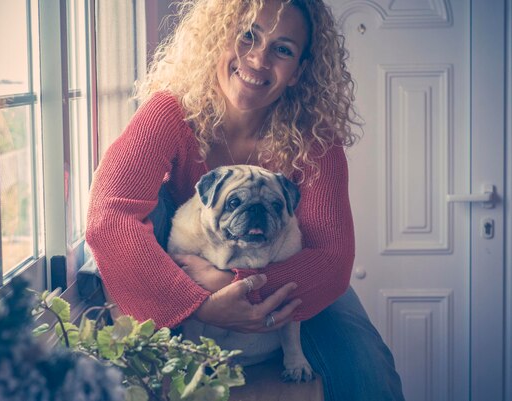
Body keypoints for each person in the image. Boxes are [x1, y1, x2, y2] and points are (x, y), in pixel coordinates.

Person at [86, 0, 405, 399]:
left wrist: (232, 285)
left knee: (369, 367)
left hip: (291, 278)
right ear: (219, 38)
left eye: (283, 49)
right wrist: (197, 303)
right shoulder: (168, 113)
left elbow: (332, 258)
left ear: (298, 73)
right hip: (180, 271)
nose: (257, 59)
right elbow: (109, 216)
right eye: (247, 36)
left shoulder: (316, 140)